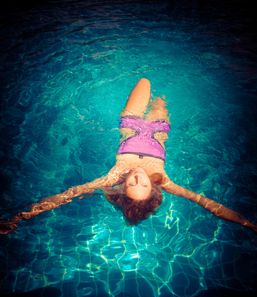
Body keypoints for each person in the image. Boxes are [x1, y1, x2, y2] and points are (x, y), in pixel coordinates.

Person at [0, 78, 257, 234]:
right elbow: (208, 204)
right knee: (162, 97)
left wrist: (18, 218)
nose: (137, 177)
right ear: (152, 188)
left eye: (132, 184)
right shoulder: (163, 181)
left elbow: (66, 196)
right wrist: (249, 225)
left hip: (132, 123)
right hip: (158, 128)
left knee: (144, 81)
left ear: (122, 187)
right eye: (142, 184)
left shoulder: (112, 177)